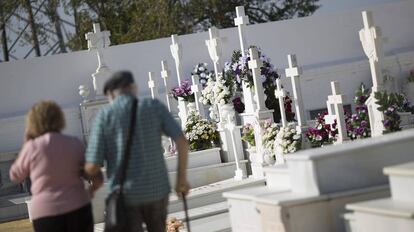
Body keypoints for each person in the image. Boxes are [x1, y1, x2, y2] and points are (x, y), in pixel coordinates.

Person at [84, 71, 190, 232]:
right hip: (157, 189)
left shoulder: (104, 116)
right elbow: (181, 142)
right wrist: (181, 178)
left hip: (126, 195)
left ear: (111, 94)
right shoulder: (153, 107)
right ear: (133, 88)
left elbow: (92, 166)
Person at [9, 101, 94, 232]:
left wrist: (26, 144)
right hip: (77, 205)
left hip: (45, 211)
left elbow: (15, 176)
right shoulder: (75, 143)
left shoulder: (32, 147)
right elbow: (90, 171)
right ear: (60, 118)